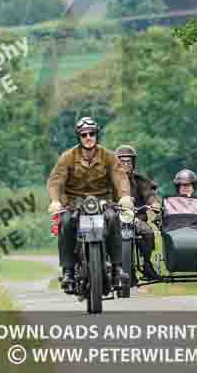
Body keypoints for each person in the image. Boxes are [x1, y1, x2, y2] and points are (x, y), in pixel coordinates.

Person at [47, 116, 133, 293]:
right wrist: (55, 200)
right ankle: (68, 271)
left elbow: (120, 176)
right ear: (79, 137)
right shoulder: (68, 157)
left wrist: (124, 196)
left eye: (91, 133)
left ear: (96, 135)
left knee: (113, 219)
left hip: (103, 201)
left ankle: (117, 268)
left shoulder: (108, 156)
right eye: (84, 134)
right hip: (74, 202)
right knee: (65, 222)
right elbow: (56, 180)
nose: (88, 137)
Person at [115, 144, 160, 280]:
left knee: (148, 232)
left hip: (136, 218)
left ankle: (146, 264)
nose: (126, 164)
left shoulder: (140, 180)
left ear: (133, 162)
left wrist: (154, 203)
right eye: (122, 161)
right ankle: (107, 267)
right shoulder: (109, 180)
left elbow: (148, 193)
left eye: (129, 161)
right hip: (115, 219)